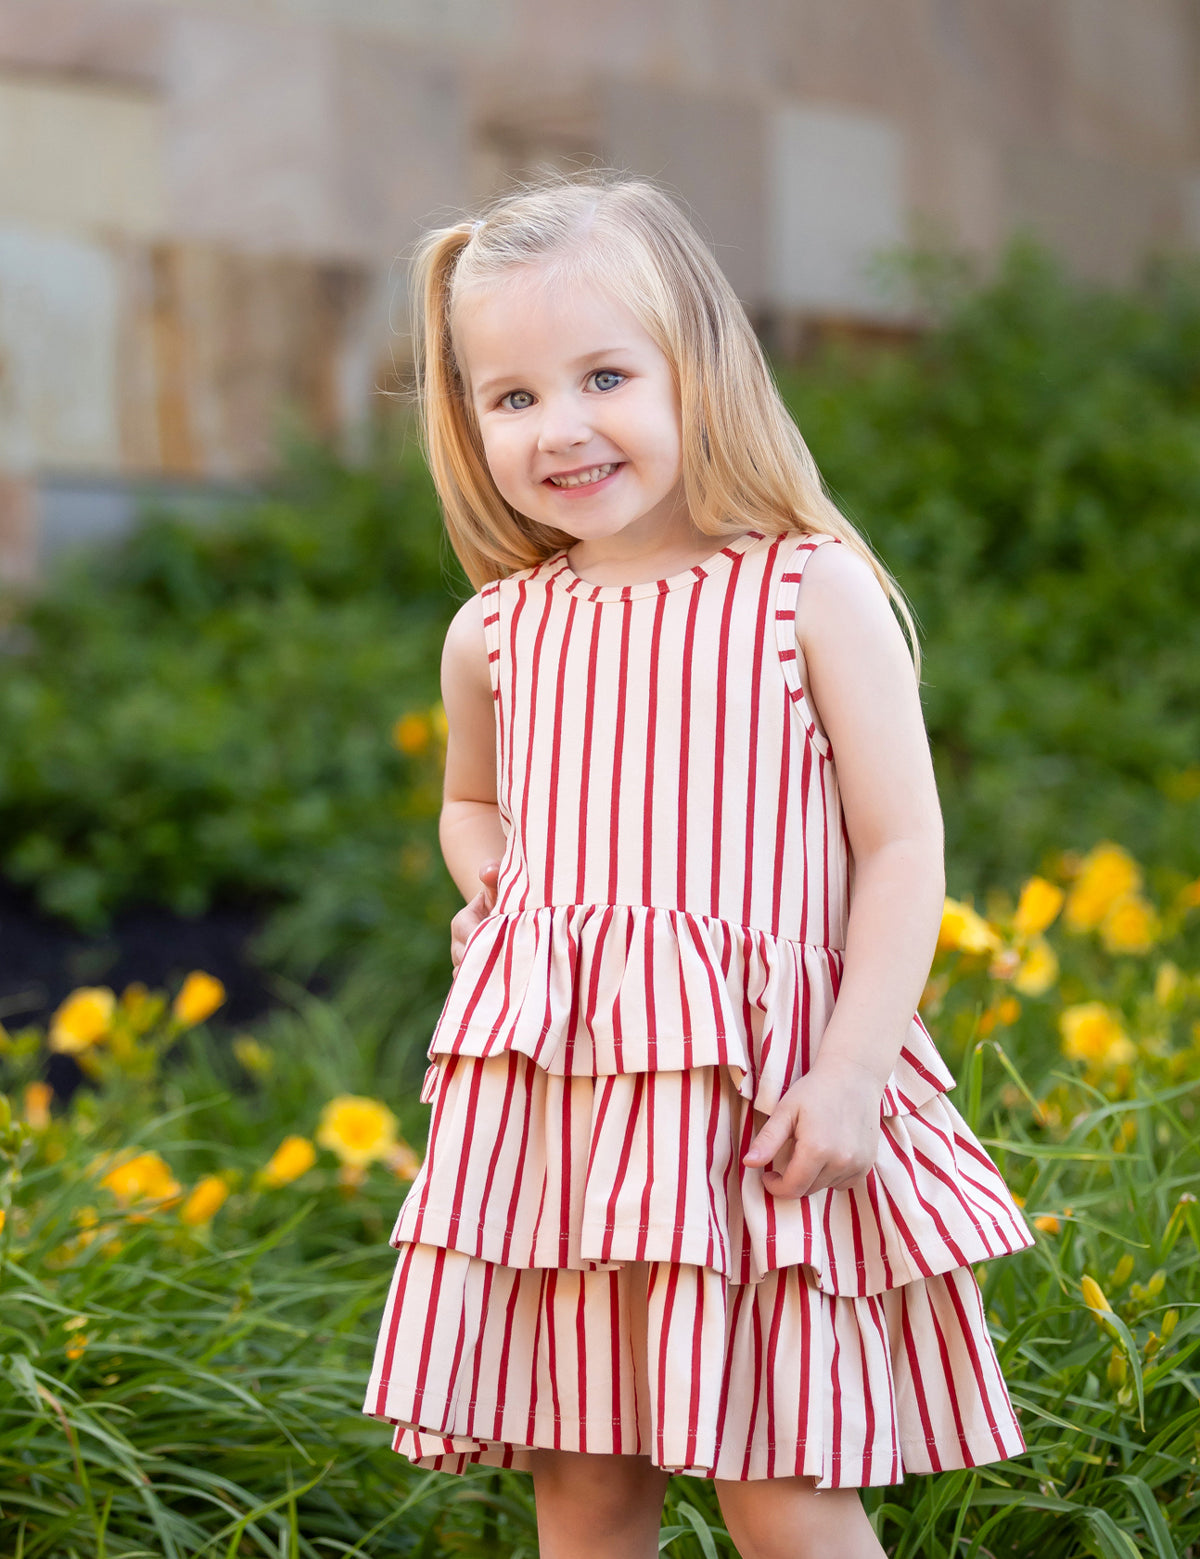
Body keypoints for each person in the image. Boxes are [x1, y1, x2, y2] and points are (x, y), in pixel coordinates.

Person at [362, 171, 1033, 1559]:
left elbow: (902, 847)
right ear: (468, 417)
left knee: (781, 1486)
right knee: (586, 1483)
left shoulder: (806, 592)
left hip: (757, 1102)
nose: (563, 428)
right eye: (514, 397)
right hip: (567, 1113)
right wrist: (488, 872)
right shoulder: (497, 633)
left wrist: (852, 1071)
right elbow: (470, 803)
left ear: (698, 368)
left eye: (605, 374)